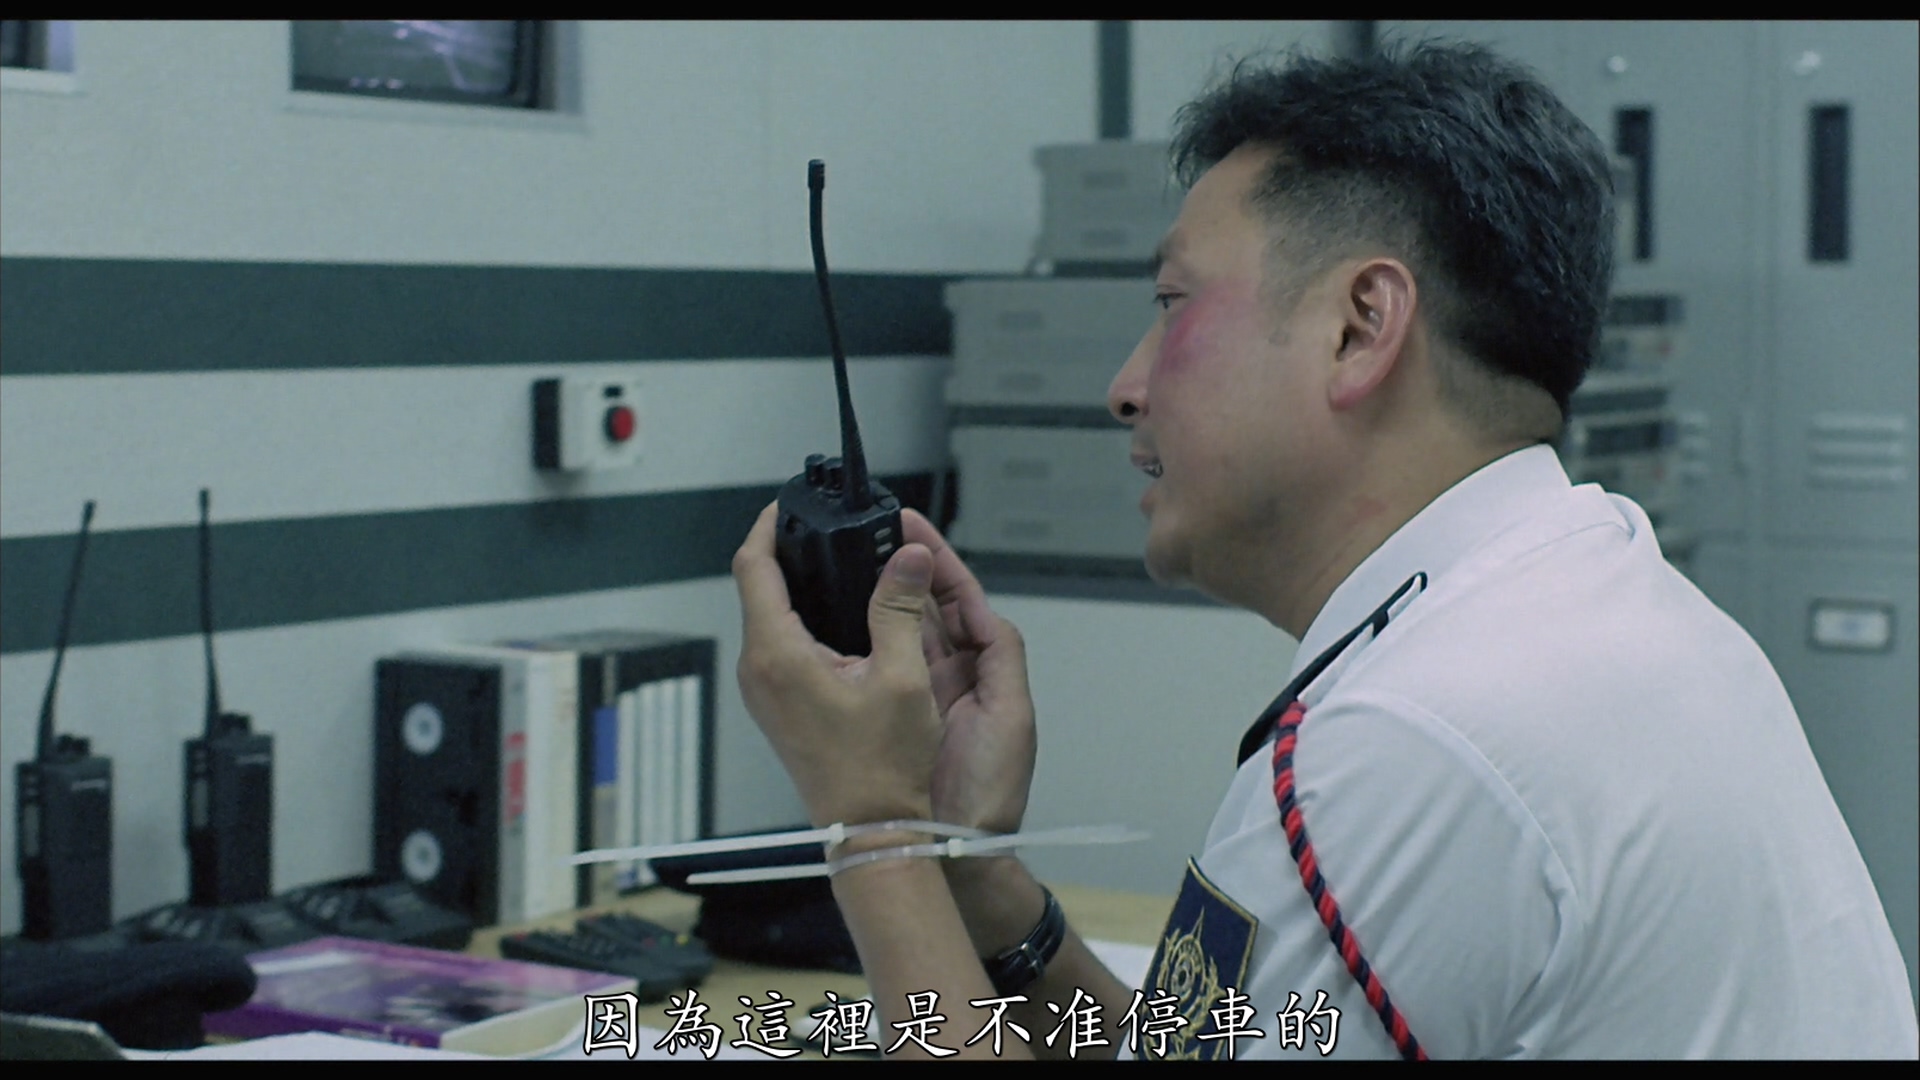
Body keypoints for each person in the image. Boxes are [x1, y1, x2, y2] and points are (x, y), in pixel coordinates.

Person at [731, 39, 1920, 1060]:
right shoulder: (1584, 588)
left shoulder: (1415, 742)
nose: (1125, 388)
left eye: (1171, 305)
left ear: (1361, 327)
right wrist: (976, 877)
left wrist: (870, 822)